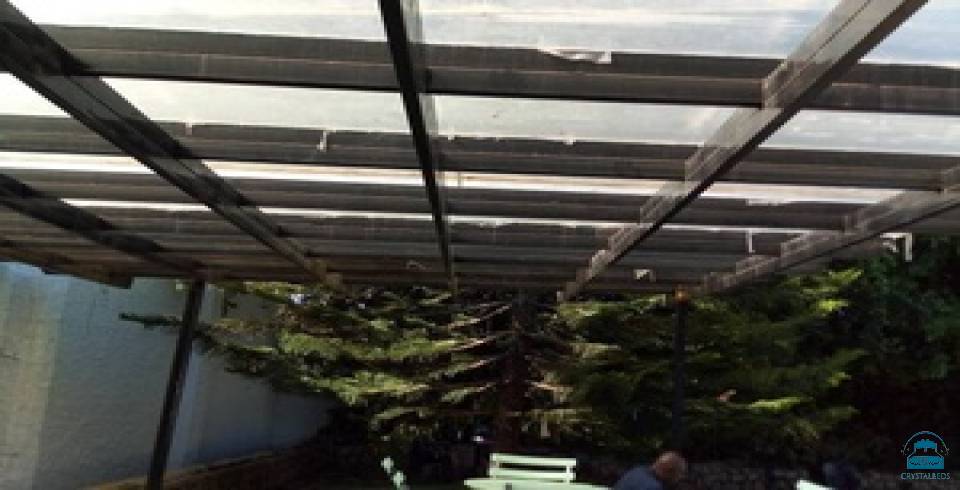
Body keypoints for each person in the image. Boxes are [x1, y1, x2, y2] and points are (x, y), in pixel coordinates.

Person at [614, 451, 688, 490]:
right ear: (669, 471)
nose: (681, 477)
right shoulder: (653, 487)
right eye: (681, 473)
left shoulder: (637, 470)